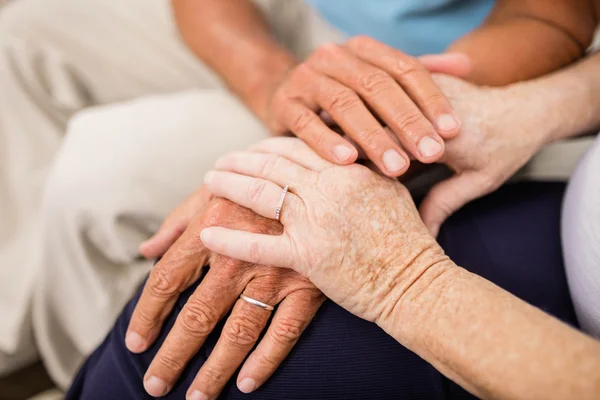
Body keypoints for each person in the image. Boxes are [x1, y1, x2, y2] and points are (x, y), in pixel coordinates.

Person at [0, 0, 594, 389]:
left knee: (104, 172)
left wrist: (353, 126)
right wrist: (273, 81)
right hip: (294, 14)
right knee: (18, 41)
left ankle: (87, 358)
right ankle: (17, 328)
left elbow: (551, 17)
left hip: (452, 61)